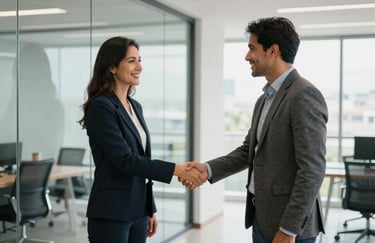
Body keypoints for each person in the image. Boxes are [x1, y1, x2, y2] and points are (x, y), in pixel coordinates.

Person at [182, 17, 328, 243]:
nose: (247, 56)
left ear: (273, 51)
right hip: (262, 219)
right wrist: (207, 170)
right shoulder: (264, 99)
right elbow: (248, 151)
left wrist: (288, 230)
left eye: (252, 48)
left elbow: (312, 170)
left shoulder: (303, 95)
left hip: (290, 229)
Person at [79, 36, 204, 243]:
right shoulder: (101, 107)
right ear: (112, 67)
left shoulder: (134, 106)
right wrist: (177, 169)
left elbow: (142, 160)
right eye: (131, 61)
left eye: (140, 59)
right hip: (112, 211)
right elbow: (126, 161)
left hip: (138, 211)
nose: (140, 67)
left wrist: (149, 208)